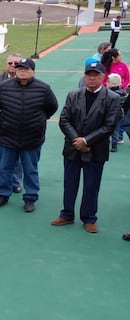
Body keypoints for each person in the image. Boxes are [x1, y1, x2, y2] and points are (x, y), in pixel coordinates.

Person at [51, 62, 119, 233]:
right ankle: (67, 214)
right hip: (73, 148)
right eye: (89, 74)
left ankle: (89, 218)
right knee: (70, 183)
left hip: (95, 150)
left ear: (103, 77)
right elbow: (64, 119)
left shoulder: (112, 98)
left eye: (95, 74)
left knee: (91, 185)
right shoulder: (73, 94)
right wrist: (77, 140)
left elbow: (109, 126)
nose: (91, 77)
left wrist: (87, 141)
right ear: (84, 76)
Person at [0, 58, 59, 212]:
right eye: (19, 68)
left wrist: (39, 120)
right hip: (7, 137)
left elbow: (52, 107)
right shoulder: (3, 87)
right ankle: (3, 194)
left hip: (32, 138)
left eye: (26, 69)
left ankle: (30, 197)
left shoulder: (44, 89)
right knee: (4, 168)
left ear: (33, 71)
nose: (21, 71)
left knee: (30, 169)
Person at [0, 53, 23, 192]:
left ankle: (15, 182)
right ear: (6, 64)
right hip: (0, 123)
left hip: (18, 125)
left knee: (17, 155)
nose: (13, 66)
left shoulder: (26, 80)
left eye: (16, 63)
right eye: (10, 63)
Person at [107, 73, 129, 152]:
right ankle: (114, 145)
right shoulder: (122, 92)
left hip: (109, 114)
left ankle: (106, 142)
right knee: (116, 129)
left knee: (106, 128)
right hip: (119, 113)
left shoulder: (108, 92)